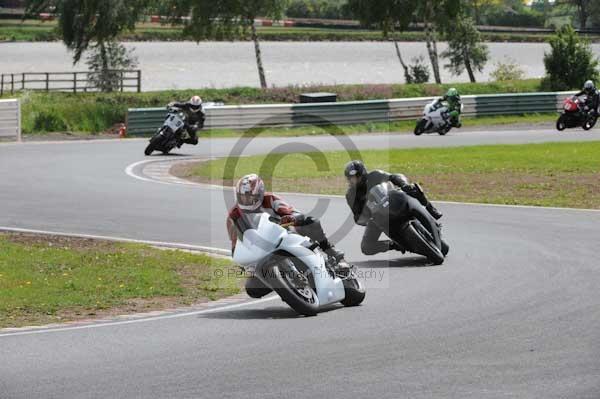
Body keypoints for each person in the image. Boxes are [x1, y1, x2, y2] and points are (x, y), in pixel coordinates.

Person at [226, 174, 345, 264]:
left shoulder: (270, 199)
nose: (247, 201)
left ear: (260, 193)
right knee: (252, 289)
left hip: (284, 234)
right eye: (243, 197)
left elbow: (293, 212)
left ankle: (329, 249)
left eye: (251, 197)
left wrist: (291, 218)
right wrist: (240, 259)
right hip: (260, 248)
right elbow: (235, 244)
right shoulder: (234, 215)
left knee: (311, 221)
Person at [344, 160, 442, 256]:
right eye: (351, 178)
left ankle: (431, 209)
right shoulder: (350, 195)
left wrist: (404, 184)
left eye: (356, 177)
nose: (353, 180)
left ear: (363, 173)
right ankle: (395, 244)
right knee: (366, 247)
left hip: (393, 202)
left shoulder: (375, 175)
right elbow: (357, 216)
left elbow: (394, 176)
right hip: (377, 217)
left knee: (413, 188)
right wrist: (365, 219)